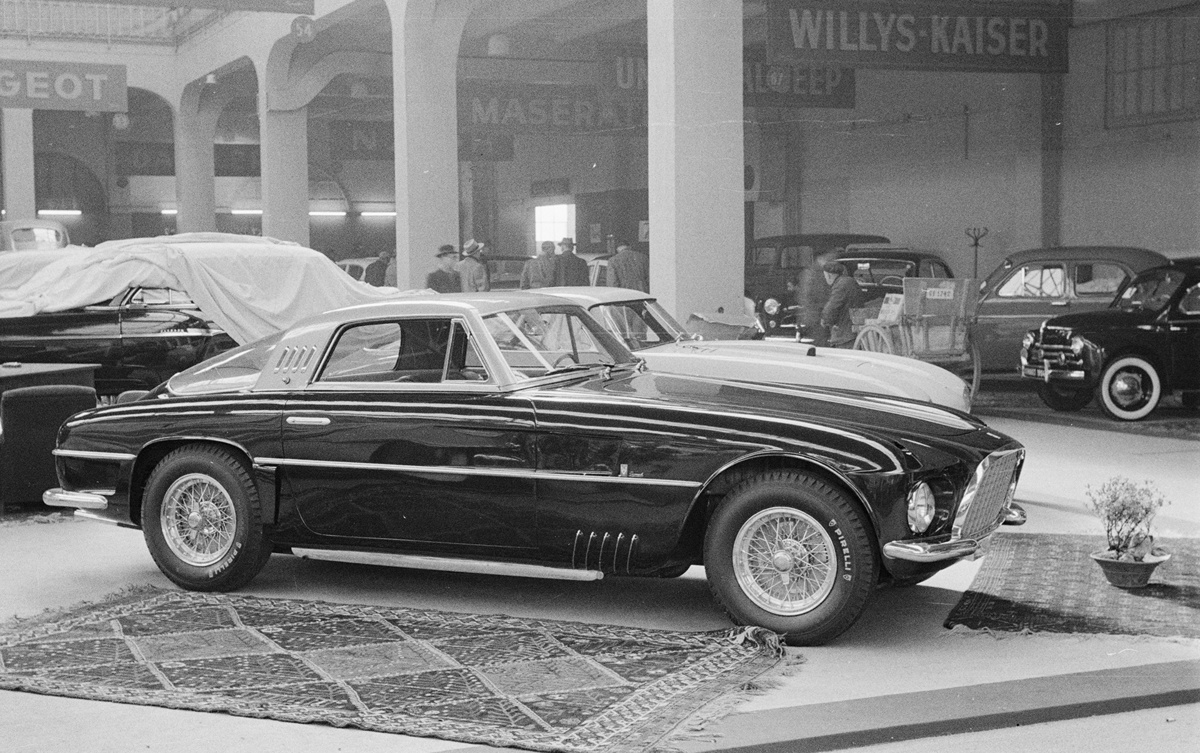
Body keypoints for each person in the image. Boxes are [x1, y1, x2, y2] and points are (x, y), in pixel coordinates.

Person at [794, 249, 837, 345]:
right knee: (820, 341)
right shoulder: (812, 273)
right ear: (821, 257)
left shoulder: (817, 271)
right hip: (817, 314)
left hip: (822, 313)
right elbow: (806, 295)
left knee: (822, 341)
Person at [820, 260, 864, 347]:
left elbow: (832, 306)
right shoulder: (848, 281)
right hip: (853, 330)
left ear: (829, 275)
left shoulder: (841, 285)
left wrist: (825, 319)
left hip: (846, 335)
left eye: (825, 276)